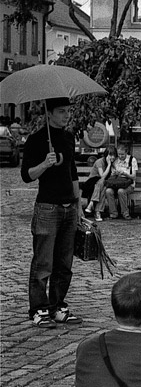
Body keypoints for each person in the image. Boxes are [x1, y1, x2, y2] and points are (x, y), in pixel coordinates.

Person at [21, 97, 83, 328]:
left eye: (68, 111)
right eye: (61, 111)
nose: (66, 115)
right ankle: (38, 309)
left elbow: (72, 172)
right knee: (43, 262)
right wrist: (44, 165)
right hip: (47, 208)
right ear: (49, 114)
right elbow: (27, 175)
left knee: (64, 263)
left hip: (69, 207)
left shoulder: (68, 138)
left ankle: (57, 306)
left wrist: (78, 205)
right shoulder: (36, 140)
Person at [82, 146, 117, 221]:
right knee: (102, 185)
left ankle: (92, 204)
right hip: (92, 183)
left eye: (114, 155)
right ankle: (97, 212)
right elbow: (102, 176)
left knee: (103, 186)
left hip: (102, 184)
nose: (112, 157)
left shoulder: (114, 163)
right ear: (106, 155)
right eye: (110, 155)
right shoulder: (99, 162)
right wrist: (109, 165)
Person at [105, 143, 138, 220]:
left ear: (126, 152)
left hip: (128, 184)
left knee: (121, 191)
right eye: (119, 154)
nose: (120, 156)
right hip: (117, 183)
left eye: (122, 154)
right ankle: (113, 213)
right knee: (108, 191)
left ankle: (125, 213)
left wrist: (125, 174)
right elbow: (112, 175)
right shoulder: (116, 160)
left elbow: (134, 177)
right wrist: (114, 173)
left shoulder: (132, 160)